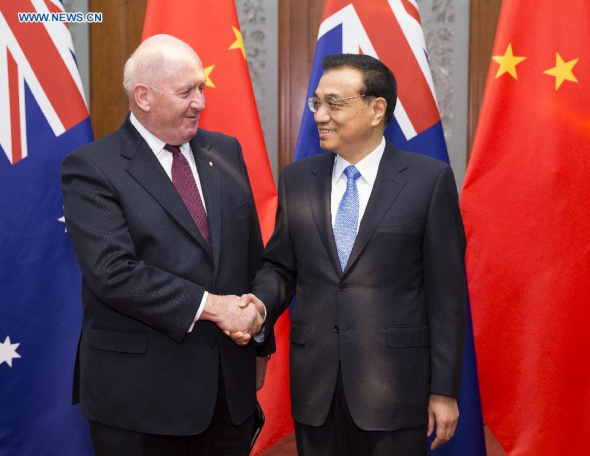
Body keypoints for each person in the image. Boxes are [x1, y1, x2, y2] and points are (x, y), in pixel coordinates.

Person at [240, 54, 467, 456]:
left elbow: (446, 296)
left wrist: (443, 391)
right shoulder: (298, 179)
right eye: (316, 103)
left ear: (377, 108)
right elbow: (279, 266)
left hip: (396, 390)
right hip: (316, 391)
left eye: (334, 103)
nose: (320, 115)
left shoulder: (428, 181)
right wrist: (258, 304)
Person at [61, 34, 270, 456]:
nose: (200, 102)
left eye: (201, 89)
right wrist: (215, 307)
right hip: (139, 401)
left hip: (227, 396)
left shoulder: (225, 151)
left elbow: (251, 256)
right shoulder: (93, 168)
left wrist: (257, 330)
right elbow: (113, 273)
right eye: (186, 91)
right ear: (143, 96)